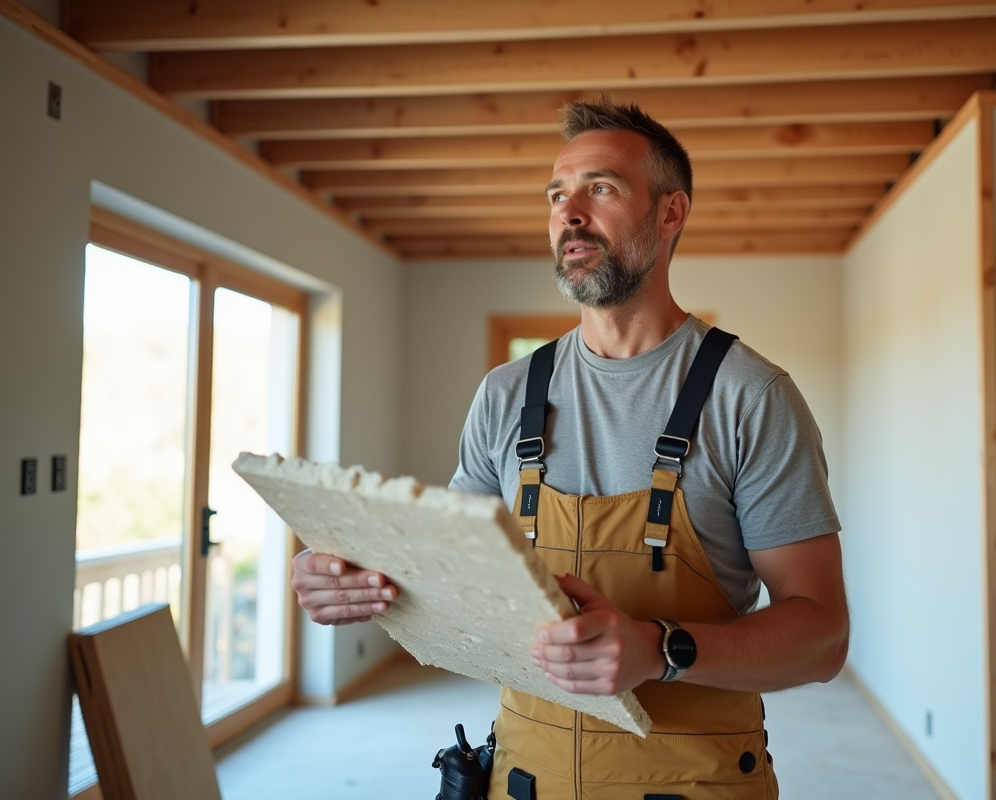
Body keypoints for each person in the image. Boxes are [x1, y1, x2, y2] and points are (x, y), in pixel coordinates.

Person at [291, 99, 849, 799]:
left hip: (693, 783)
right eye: (558, 193)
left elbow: (823, 637)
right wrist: (355, 576)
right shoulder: (506, 393)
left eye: (601, 188)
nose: (569, 212)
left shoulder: (750, 396)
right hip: (526, 777)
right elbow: (449, 576)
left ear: (670, 214)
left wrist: (660, 649)